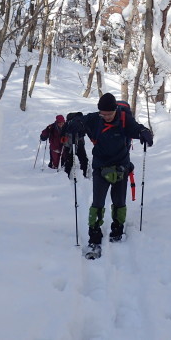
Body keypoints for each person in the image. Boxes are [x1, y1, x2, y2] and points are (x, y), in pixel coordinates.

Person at [68, 93, 153, 250]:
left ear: (115, 110)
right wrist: (75, 123)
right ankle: (94, 232)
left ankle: (117, 228)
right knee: (98, 202)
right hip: (100, 166)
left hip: (121, 165)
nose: (105, 116)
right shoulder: (96, 118)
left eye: (108, 113)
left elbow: (136, 128)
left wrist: (144, 132)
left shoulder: (124, 119)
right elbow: (81, 120)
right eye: (103, 113)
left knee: (119, 201)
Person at [62, 112, 89, 178]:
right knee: (81, 160)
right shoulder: (68, 125)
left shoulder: (78, 124)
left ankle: (68, 176)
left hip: (74, 145)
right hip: (73, 145)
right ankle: (83, 174)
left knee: (80, 160)